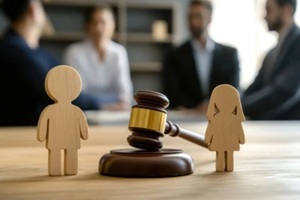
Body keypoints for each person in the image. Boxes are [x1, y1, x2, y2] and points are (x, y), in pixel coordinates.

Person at [0, 0, 102, 126]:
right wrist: (104, 104)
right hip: (21, 137)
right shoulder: (14, 51)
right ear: (33, 8)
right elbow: (61, 93)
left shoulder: (40, 54)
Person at [162, 0, 240, 112]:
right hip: (186, 118)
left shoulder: (230, 54)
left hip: (221, 116)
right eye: (190, 17)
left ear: (209, 18)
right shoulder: (174, 55)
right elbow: (171, 91)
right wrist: (196, 109)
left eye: (198, 16)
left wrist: (212, 106)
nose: (193, 22)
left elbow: (233, 90)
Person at [63, 5, 133, 111]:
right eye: (95, 23)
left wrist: (121, 104)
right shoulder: (74, 52)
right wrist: (104, 106)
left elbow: (125, 92)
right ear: (88, 26)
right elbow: (78, 94)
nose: (99, 28)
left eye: (103, 22)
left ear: (113, 25)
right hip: (85, 108)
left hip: (116, 107)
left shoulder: (119, 52)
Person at [242, 0, 300, 120]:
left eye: (269, 10)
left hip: (289, 129)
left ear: (286, 10)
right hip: (270, 127)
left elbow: (285, 91)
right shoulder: (271, 53)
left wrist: (238, 107)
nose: (264, 16)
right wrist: (228, 102)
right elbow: (254, 88)